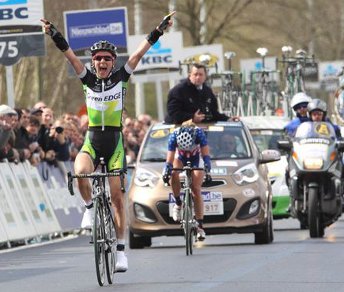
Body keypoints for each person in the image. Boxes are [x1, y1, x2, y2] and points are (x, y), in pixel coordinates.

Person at [41, 11, 175, 273]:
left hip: (114, 141)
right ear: (93, 62)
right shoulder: (86, 78)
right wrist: (54, 33)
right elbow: (68, 53)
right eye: (97, 59)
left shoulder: (121, 77)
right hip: (92, 139)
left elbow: (138, 54)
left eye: (106, 59)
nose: (101, 62)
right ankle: (90, 209)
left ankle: (121, 251)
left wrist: (158, 30)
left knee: (116, 196)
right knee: (80, 172)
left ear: (112, 62)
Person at [162, 120, 211, 241]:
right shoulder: (174, 135)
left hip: (196, 158)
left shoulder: (199, 134)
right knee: (174, 173)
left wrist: (207, 169)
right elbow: (169, 159)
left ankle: (200, 226)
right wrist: (166, 170)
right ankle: (178, 204)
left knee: (196, 188)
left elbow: (205, 156)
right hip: (180, 157)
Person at [164, 63, 232, 124]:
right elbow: (173, 113)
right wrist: (192, 118)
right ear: (190, 75)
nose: (198, 77)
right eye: (195, 74)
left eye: (200, 74)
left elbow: (213, 113)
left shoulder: (207, 91)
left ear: (205, 76)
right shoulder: (178, 90)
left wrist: (228, 119)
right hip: (178, 130)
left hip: (203, 130)